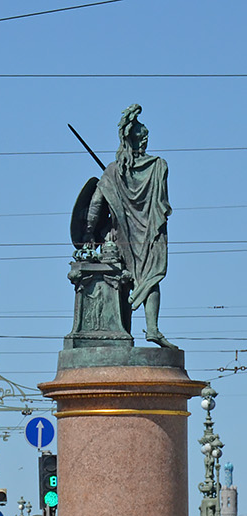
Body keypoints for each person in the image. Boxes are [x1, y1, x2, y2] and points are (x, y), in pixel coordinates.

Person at [83, 103, 172, 347]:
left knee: (123, 282)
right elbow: (160, 205)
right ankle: (152, 328)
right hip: (150, 235)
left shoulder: (113, 172)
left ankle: (125, 332)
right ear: (139, 141)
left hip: (121, 238)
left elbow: (95, 204)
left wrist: (89, 234)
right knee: (151, 278)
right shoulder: (158, 166)